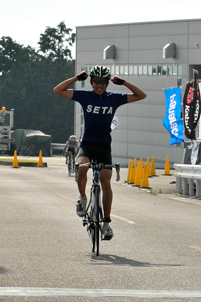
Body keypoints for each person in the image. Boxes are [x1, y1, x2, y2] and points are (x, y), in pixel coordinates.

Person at [53, 66, 146, 240]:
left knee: (106, 182)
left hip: (104, 147)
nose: (100, 85)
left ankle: (106, 224)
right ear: (91, 82)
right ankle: (82, 199)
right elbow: (58, 90)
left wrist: (124, 82)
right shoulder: (84, 96)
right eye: (97, 82)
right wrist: (75, 78)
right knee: (81, 168)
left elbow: (142, 95)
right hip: (87, 145)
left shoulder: (114, 98)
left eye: (103, 82)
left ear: (108, 83)